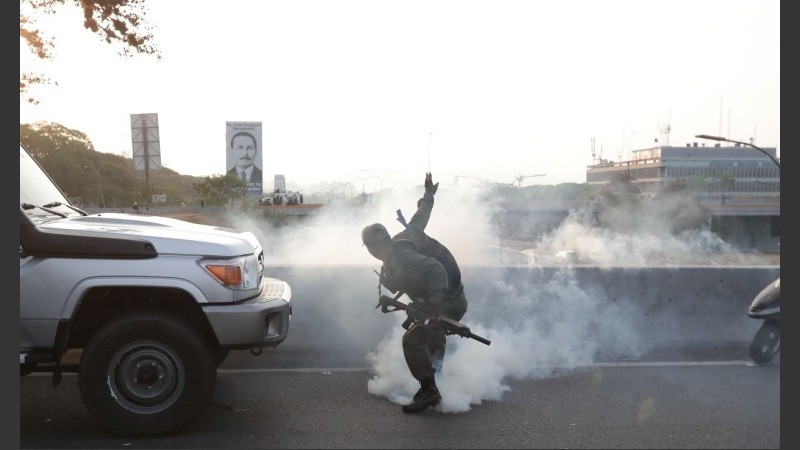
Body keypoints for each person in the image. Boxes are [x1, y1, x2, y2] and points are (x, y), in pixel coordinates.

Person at [361, 172, 468, 414]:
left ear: (372, 248)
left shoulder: (401, 258)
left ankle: (430, 391)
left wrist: (433, 305)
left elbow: (435, 269)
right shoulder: (405, 236)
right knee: (433, 336)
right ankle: (439, 381)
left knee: (411, 339)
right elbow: (421, 215)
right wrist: (428, 194)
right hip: (456, 297)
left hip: (446, 303)